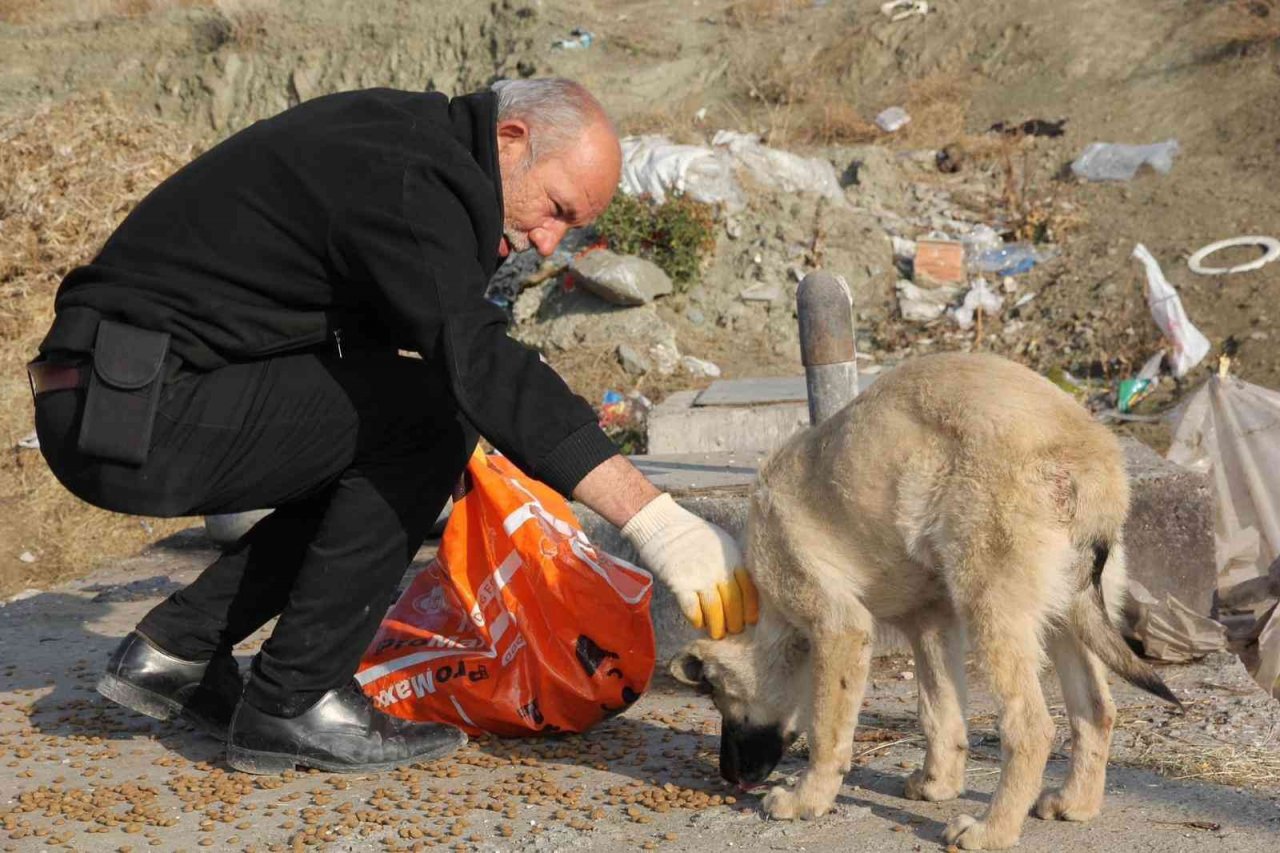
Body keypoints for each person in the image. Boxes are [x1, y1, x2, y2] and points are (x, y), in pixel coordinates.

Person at [28, 78, 758, 774]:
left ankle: (177, 651)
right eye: (556, 209)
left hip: (121, 392)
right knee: (427, 420)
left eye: (569, 228)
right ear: (511, 138)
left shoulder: (411, 148)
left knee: (404, 424)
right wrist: (657, 521)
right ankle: (297, 698)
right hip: (131, 403)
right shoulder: (416, 179)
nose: (547, 241)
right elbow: (478, 363)